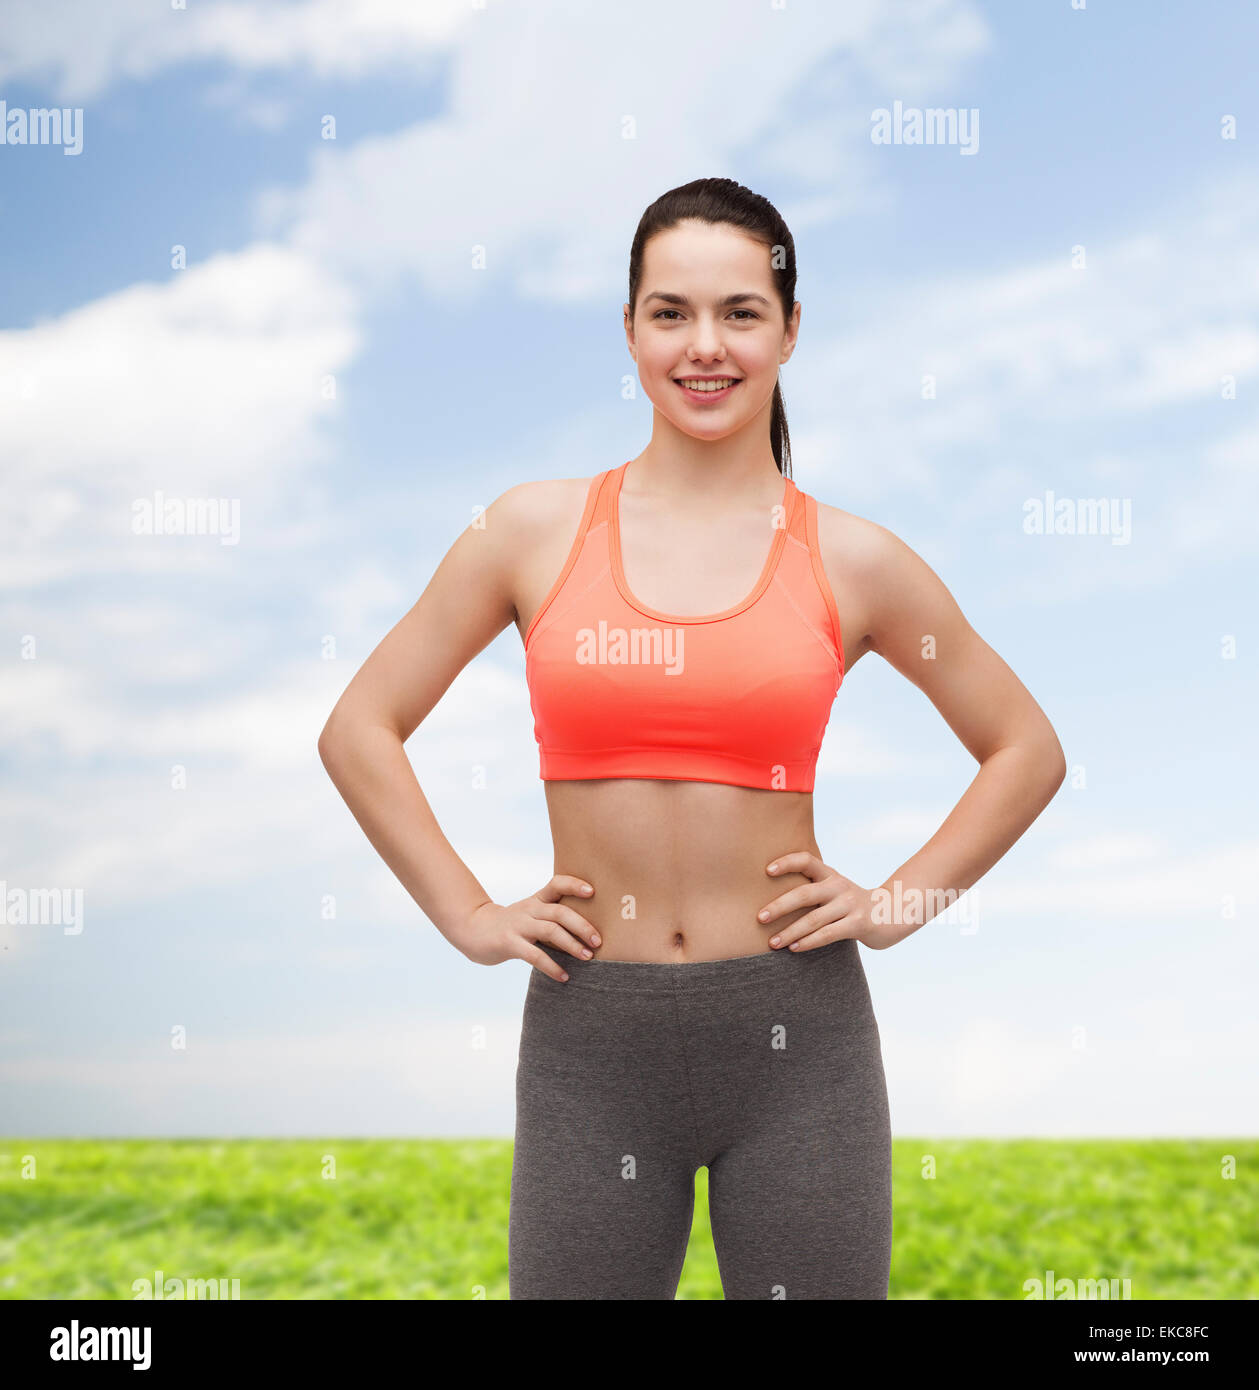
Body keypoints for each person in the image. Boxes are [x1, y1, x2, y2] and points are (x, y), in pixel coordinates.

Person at [317, 177, 1066, 1300]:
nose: (702, 346)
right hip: (589, 1046)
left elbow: (1023, 747)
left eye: (739, 311)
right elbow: (359, 728)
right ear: (627, 329)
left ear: (789, 329)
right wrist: (468, 914)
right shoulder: (530, 531)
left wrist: (894, 906)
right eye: (669, 312)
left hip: (796, 1045)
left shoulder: (851, 558)